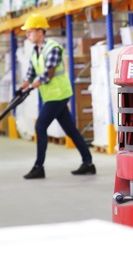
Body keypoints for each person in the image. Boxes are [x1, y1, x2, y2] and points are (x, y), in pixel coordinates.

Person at [19, 13, 95, 179]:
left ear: (40, 32)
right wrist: (22, 86)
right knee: (70, 129)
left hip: (59, 94)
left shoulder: (52, 48)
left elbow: (48, 74)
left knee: (40, 126)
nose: (27, 35)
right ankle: (88, 163)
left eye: (30, 31)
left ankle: (39, 166)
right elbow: (31, 73)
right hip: (50, 95)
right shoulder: (35, 51)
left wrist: (32, 86)